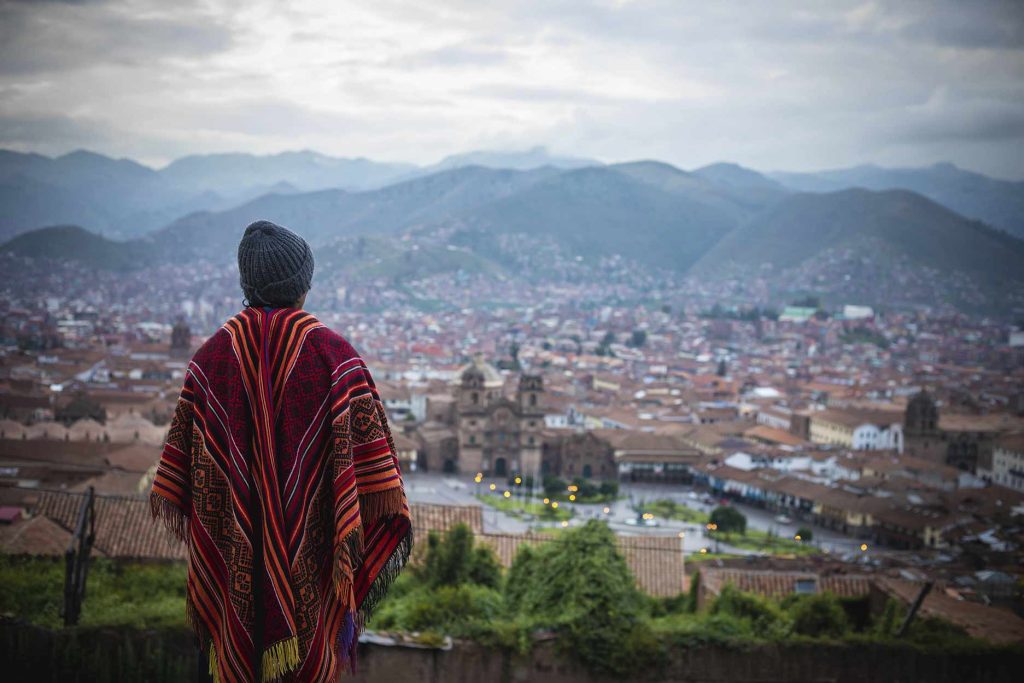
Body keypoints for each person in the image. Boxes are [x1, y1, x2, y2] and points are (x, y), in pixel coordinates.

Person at [150, 220, 412, 683]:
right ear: (304, 285)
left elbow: (184, 473)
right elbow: (376, 482)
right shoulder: (337, 358)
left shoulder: (211, 360)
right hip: (314, 567)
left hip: (234, 570)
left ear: (247, 286)